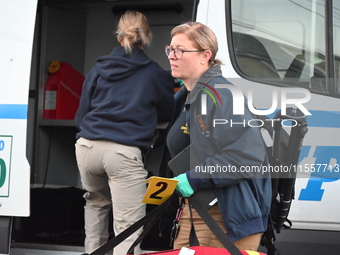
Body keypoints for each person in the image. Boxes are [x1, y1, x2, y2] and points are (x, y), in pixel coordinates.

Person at [74, 10, 175, 255]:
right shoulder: (155, 74)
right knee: (127, 225)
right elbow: (168, 113)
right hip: (123, 152)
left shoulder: (98, 69)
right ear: (147, 36)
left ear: (119, 37)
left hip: (87, 148)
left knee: (96, 205)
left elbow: (81, 115)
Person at [165, 22, 271, 251]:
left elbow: (245, 157)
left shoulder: (222, 95)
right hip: (193, 212)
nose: (172, 56)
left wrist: (193, 178)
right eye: (170, 49)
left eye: (180, 50)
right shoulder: (186, 96)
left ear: (205, 55)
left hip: (224, 218)